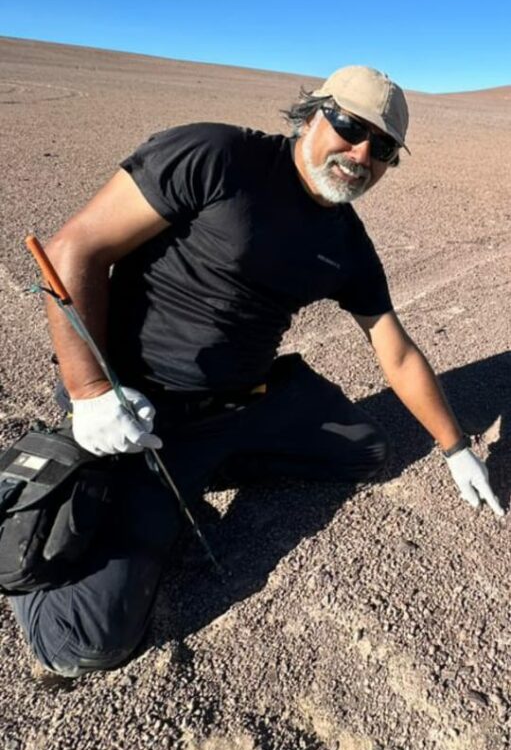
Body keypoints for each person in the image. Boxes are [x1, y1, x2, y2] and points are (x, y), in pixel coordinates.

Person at [11, 64, 504, 678]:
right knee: (82, 642)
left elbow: (395, 349)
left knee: (365, 453)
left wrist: (456, 448)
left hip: (242, 400)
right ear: (312, 113)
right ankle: (74, 475)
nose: (360, 153)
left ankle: (198, 467)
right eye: (350, 126)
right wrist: (90, 393)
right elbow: (74, 249)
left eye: (382, 148)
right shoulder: (217, 155)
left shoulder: (346, 243)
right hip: (135, 407)